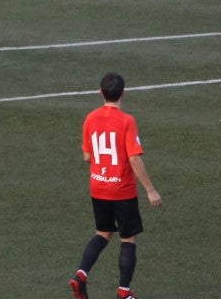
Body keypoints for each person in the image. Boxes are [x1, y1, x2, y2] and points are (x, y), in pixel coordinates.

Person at [69, 72, 161, 299]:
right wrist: (150, 189)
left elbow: (87, 156)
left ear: (101, 93)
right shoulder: (127, 121)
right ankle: (124, 293)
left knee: (103, 232)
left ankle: (81, 274)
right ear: (124, 93)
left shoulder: (90, 118)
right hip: (122, 190)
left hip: (98, 187)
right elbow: (134, 158)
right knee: (128, 239)